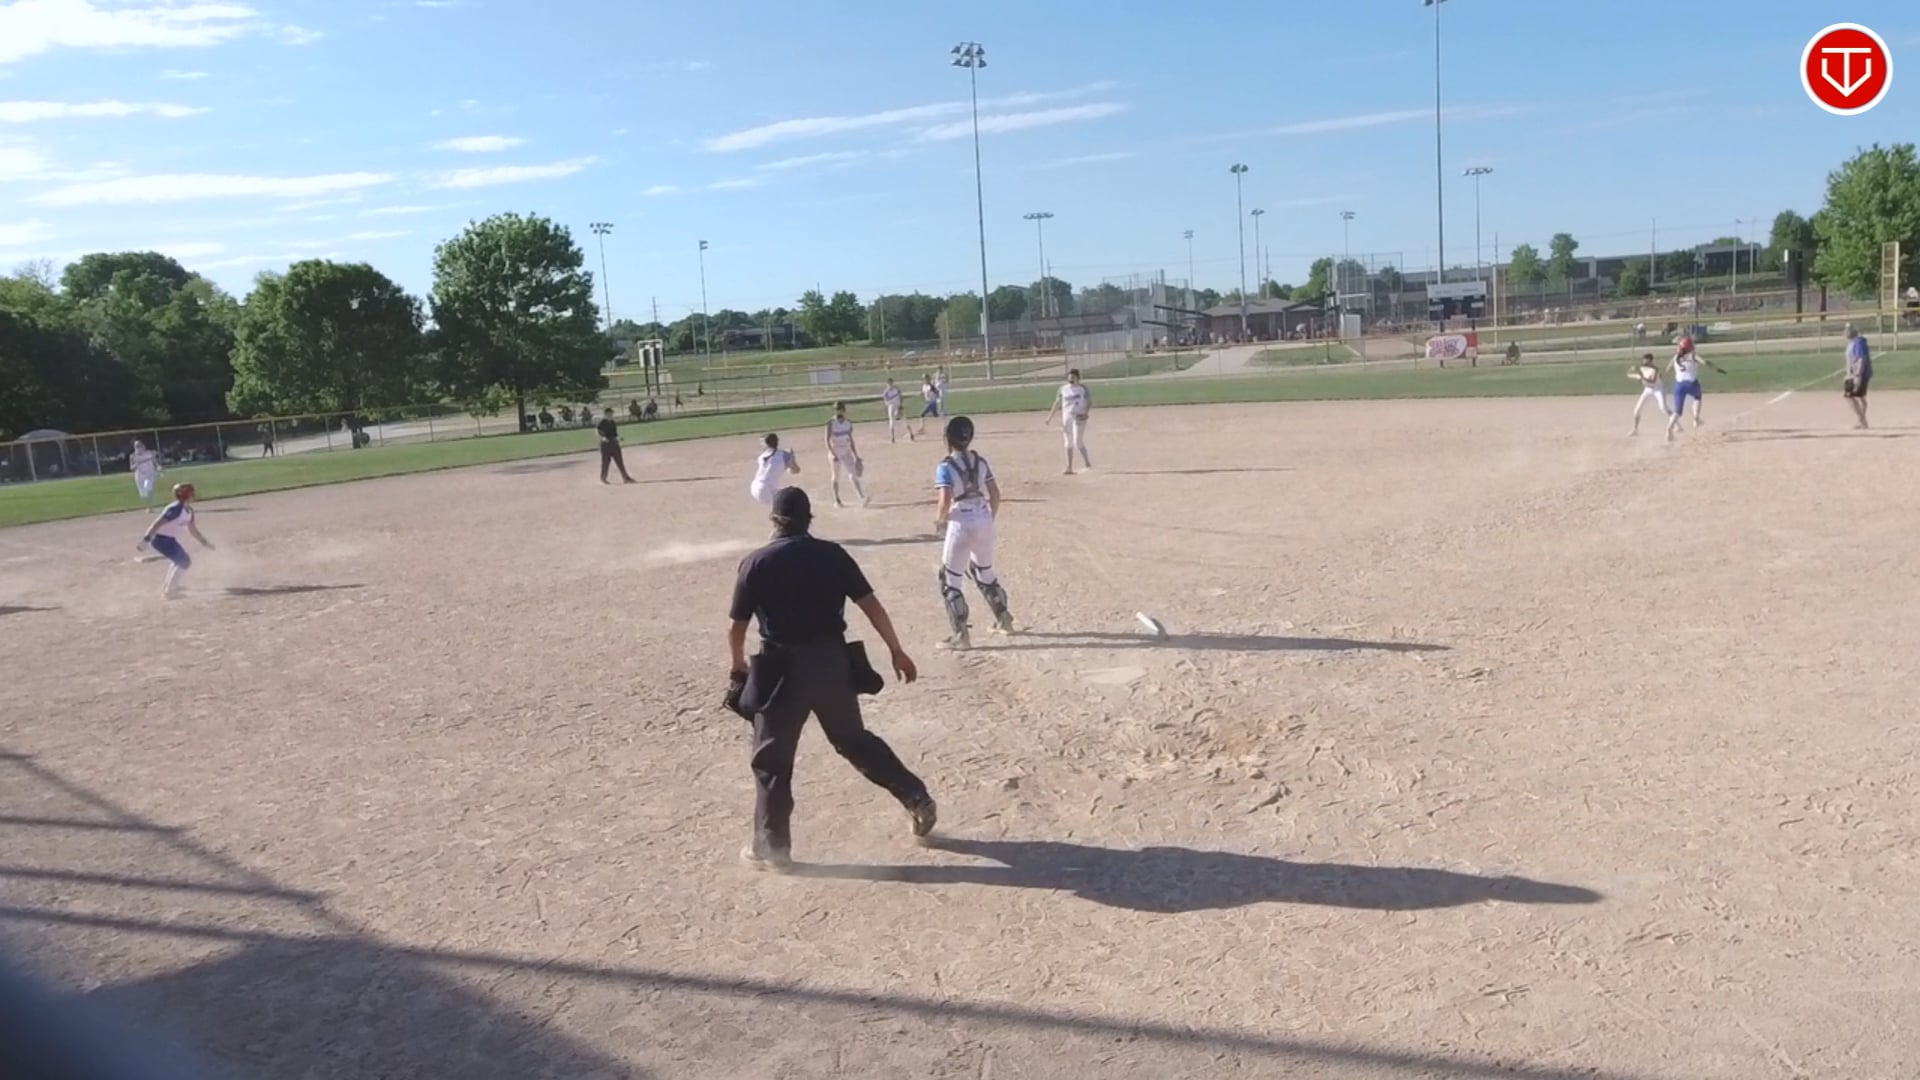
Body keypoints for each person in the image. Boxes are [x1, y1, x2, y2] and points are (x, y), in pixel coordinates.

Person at [726, 487, 937, 871]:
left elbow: (736, 628)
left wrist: (738, 668)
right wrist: (896, 649)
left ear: (775, 521)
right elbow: (871, 605)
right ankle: (916, 797)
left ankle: (773, 849)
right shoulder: (833, 555)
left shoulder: (756, 562)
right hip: (831, 664)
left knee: (772, 760)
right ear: (809, 520)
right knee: (853, 740)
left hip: (781, 671)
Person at [932, 415, 1015, 650]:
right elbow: (995, 494)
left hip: (961, 521)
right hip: (984, 518)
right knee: (983, 571)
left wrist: (939, 522)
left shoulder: (945, 467)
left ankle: (961, 636)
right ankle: (1004, 619)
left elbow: (944, 501)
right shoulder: (981, 462)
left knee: (950, 579)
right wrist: (988, 518)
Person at [137, 483, 214, 600]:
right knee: (184, 561)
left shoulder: (188, 510)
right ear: (186, 495)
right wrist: (146, 539)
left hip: (168, 539)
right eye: (191, 493)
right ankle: (169, 592)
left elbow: (193, 530)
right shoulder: (176, 508)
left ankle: (170, 586)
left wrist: (205, 543)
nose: (193, 494)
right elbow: (157, 523)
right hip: (161, 539)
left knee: (179, 560)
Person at [1665, 335, 1726, 442]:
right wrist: (1717, 369)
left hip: (1679, 386)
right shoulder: (1692, 356)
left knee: (1677, 412)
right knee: (1697, 397)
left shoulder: (1675, 357)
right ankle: (1696, 418)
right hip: (1692, 384)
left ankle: (1669, 428)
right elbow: (1705, 362)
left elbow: (1667, 369)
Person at [1042, 368, 1093, 474]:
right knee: (1068, 442)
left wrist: (1086, 413)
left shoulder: (1083, 389)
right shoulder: (1063, 389)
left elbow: (1088, 402)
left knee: (1077, 441)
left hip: (1079, 417)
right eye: (1069, 378)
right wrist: (1049, 418)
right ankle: (1069, 467)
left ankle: (1087, 462)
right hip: (1067, 418)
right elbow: (1057, 403)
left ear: (1078, 378)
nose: (1071, 380)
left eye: (1073, 378)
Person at [823, 401, 869, 508]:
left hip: (846, 451)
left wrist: (856, 455)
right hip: (835, 451)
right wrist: (833, 454)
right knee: (835, 476)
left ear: (844, 410)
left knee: (853, 474)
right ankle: (837, 500)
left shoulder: (848, 423)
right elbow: (827, 440)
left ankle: (862, 498)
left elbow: (851, 440)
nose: (839, 411)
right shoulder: (830, 423)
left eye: (840, 409)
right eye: (837, 409)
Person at [748, 433, 799, 507]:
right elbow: (795, 471)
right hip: (765, 489)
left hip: (755, 487)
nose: (761, 445)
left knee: (786, 500)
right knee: (788, 505)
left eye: (762, 443)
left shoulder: (761, 457)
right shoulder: (784, 455)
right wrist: (792, 458)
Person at [1627, 353, 1668, 437]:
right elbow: (1630, 374)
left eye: (1645, 359)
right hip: (1648, 389)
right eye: (1643, 359)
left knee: (1663, 408)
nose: (1643, 361)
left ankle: (1676, 424)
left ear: (1650, 360)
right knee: (1637, 409)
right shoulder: (1642, 367)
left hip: (1658, 389)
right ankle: (1635, 430)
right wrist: (1632, 370)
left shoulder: (1655, 369)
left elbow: (1652, 381)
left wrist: (1641, 376)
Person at [1843, 324, 1872, 429]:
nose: (1845, 332)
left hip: (1858, 374)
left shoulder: (1858, 343)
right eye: (1846, 330)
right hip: (1853, 374)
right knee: (1860, 398)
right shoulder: (1852, 343)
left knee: (1849, 396)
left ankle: (1862, 420)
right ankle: (1862, 421)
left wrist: (1858, 376)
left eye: (1848, 330)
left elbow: (1861, 359)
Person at [596, 408, 636, 484]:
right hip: (605, 445)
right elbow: (598, 432)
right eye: (609, 414)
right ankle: (603, 478)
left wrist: (619, 438)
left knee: (620, 462)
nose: (610, 415)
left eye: (611, 414)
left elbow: (615, 434)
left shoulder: (612, 423)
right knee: (606, 462)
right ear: (605, 414)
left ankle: (625, 478)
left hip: (614, 444)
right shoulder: (602, 423)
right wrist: (603, 438)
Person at [881, 378, 909, 442]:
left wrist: (900, 405)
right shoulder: (886, 392)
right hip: (892, 406)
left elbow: (900, 397)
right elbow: (885, 401)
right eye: (889, 383)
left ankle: (910, 433)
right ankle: (892, 437)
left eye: (891, 383)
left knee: (903, 419)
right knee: (893, 420)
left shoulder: (896, 389)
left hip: (897, 406)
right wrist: (890, 405)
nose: (890, 384)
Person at [915, 374, 942, 438]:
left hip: (932, 403)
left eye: (926, 379)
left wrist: (936, 398)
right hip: (928, 402)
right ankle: (945, 421)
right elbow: (923, 392)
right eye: (924, 379)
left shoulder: (931, 386)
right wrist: (921, 394)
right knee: (936, 415)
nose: (925, 380)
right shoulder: (924, 386)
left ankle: (922, 429)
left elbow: (937, 392)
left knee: (922, 414)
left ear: (928, 379)